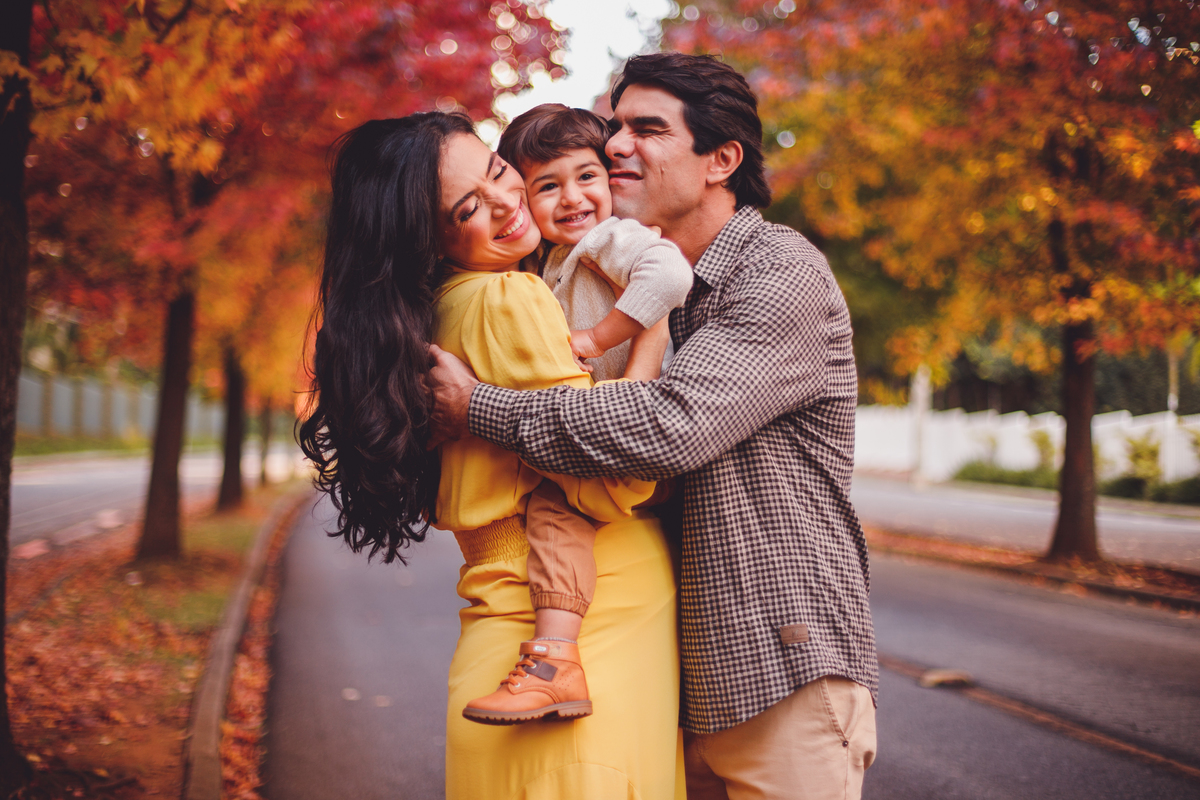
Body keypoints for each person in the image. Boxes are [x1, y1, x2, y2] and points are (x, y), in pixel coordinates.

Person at [428, 52, 880, 800]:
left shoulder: (777, 274)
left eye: (646, 129)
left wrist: (480, 407)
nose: (615, 147)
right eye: (615, 128)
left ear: (721, 160)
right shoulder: (620, 274)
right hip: (683, 682)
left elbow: (668, 426)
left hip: (783, 671)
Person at [298, 113, 685, 799]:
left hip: (497, 608)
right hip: (592, 605)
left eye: (499, 173)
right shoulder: (508, 296)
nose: (507, 202)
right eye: (468, 207)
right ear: (427, 239)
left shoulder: (434, 311)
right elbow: (619, 479)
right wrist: (650, 335)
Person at [462, 103, 694, 725]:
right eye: (547, 186)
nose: (573, 197)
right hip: (601, 432)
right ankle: (557, 657)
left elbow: (670, 273)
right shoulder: (549, 263)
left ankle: (555, 660)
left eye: (587, 176)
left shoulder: (608, 239)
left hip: (628, 430)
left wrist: (598, 337)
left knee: (552, 513)